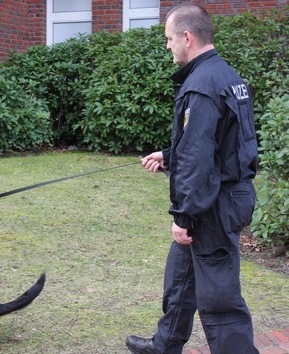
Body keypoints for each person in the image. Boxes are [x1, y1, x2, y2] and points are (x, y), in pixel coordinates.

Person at [126, 4, 259, 354]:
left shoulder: (200, 87)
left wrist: (184, 217)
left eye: (170, 39)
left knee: (219, 299)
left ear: (187, 37)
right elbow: (221, 143)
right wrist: (170, 156)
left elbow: (200, 160)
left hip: (213, 205)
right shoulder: (228, 77)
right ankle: (165, 344)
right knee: (181, 277)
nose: (168, 46)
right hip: (221, 195)